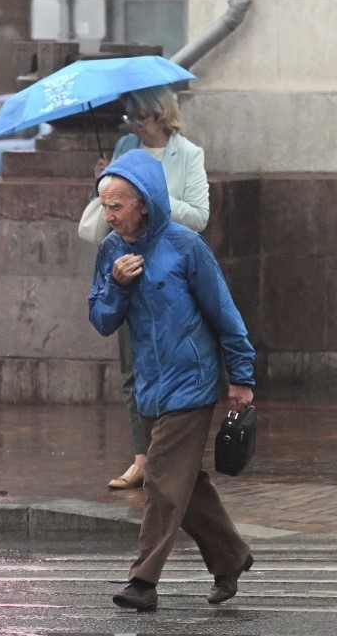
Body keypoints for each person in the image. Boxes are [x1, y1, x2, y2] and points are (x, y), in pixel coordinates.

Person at [88, 149, 255, 610]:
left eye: (116, 205)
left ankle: (143, 582)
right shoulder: (111, 251)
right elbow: (101, 319)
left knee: (162, 478)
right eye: (104, 206)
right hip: (150, 387)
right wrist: (116, 285)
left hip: (192, 383)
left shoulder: (184, 246)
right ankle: (232, 557)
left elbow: (225, 314)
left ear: (143, 203)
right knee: (186, 483)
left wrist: (240, 376)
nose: (109, 215)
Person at [90, 84, 210, 490]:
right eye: (131, 118)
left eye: (141, 117)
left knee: (174, 363)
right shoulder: (126, 145)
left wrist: (153, 197)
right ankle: (142, 458)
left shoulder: (188, 154)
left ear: (160, 114)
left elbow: (199, 216)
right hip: (128, 265)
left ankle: (170, 456)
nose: (136, 126)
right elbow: (114, 208)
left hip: (172, 273)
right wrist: (107, 184)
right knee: (130, 369)